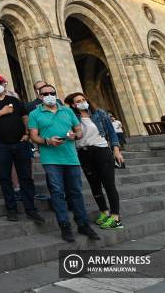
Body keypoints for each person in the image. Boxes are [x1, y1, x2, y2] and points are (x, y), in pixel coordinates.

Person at [28, 84, 100, 242]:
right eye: (45, 93)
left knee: (75, 192)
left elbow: (79, 130)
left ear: (56, 93)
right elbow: (33, 136)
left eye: (51, 93)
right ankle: (64, 225)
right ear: (40, 96)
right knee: (57, 192)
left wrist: (75, 135)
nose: (49, 95)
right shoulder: (35, 113)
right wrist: (47, 140)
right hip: (51, 159)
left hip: (71, 158)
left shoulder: (67, 111)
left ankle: (83, 224)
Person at [0, 75, 44, 223]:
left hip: (20, 143)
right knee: (4, 177)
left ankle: (31, 209)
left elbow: (25, 117)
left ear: (5, 84)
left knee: (26, 176)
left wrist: (27, 133)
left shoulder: (14, 101)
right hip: (0, 144)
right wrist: (1, 112)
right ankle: (11, 209)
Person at [64, 92, 125, 229]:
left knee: (109, 184)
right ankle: (104, 212)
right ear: (73, 105)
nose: (82, 102)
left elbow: (111, 133)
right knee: (94, 185)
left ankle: (115, 217)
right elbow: (69, 133)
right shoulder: (72, 117)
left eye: (83, 99)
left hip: (102, 151)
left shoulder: (99, 114)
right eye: (78, 101)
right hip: (84, 153)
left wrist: (116, 151)